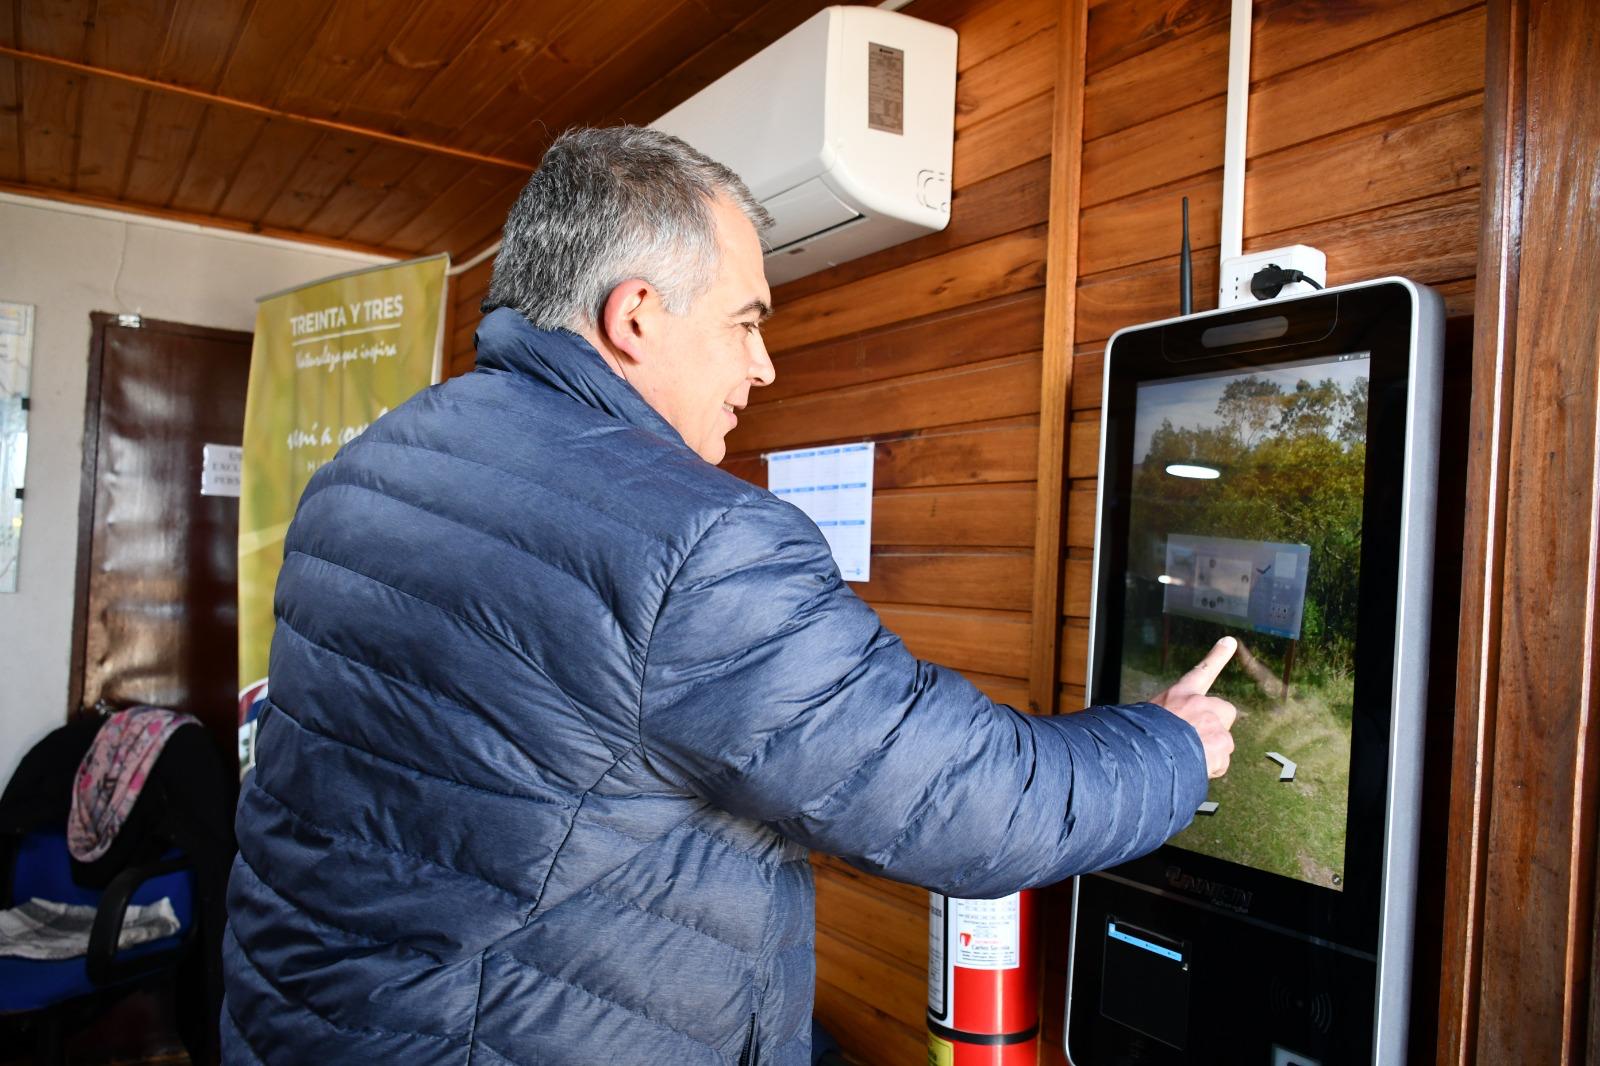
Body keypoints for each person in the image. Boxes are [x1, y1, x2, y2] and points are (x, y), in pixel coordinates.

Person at [221, 126, 1237, 1065]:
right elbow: (968, 804)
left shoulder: (361, 474)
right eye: (745, 322)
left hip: (298, 1023)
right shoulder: (691, 541)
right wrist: (1171, 745)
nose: (763, 366)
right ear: (634, 315)